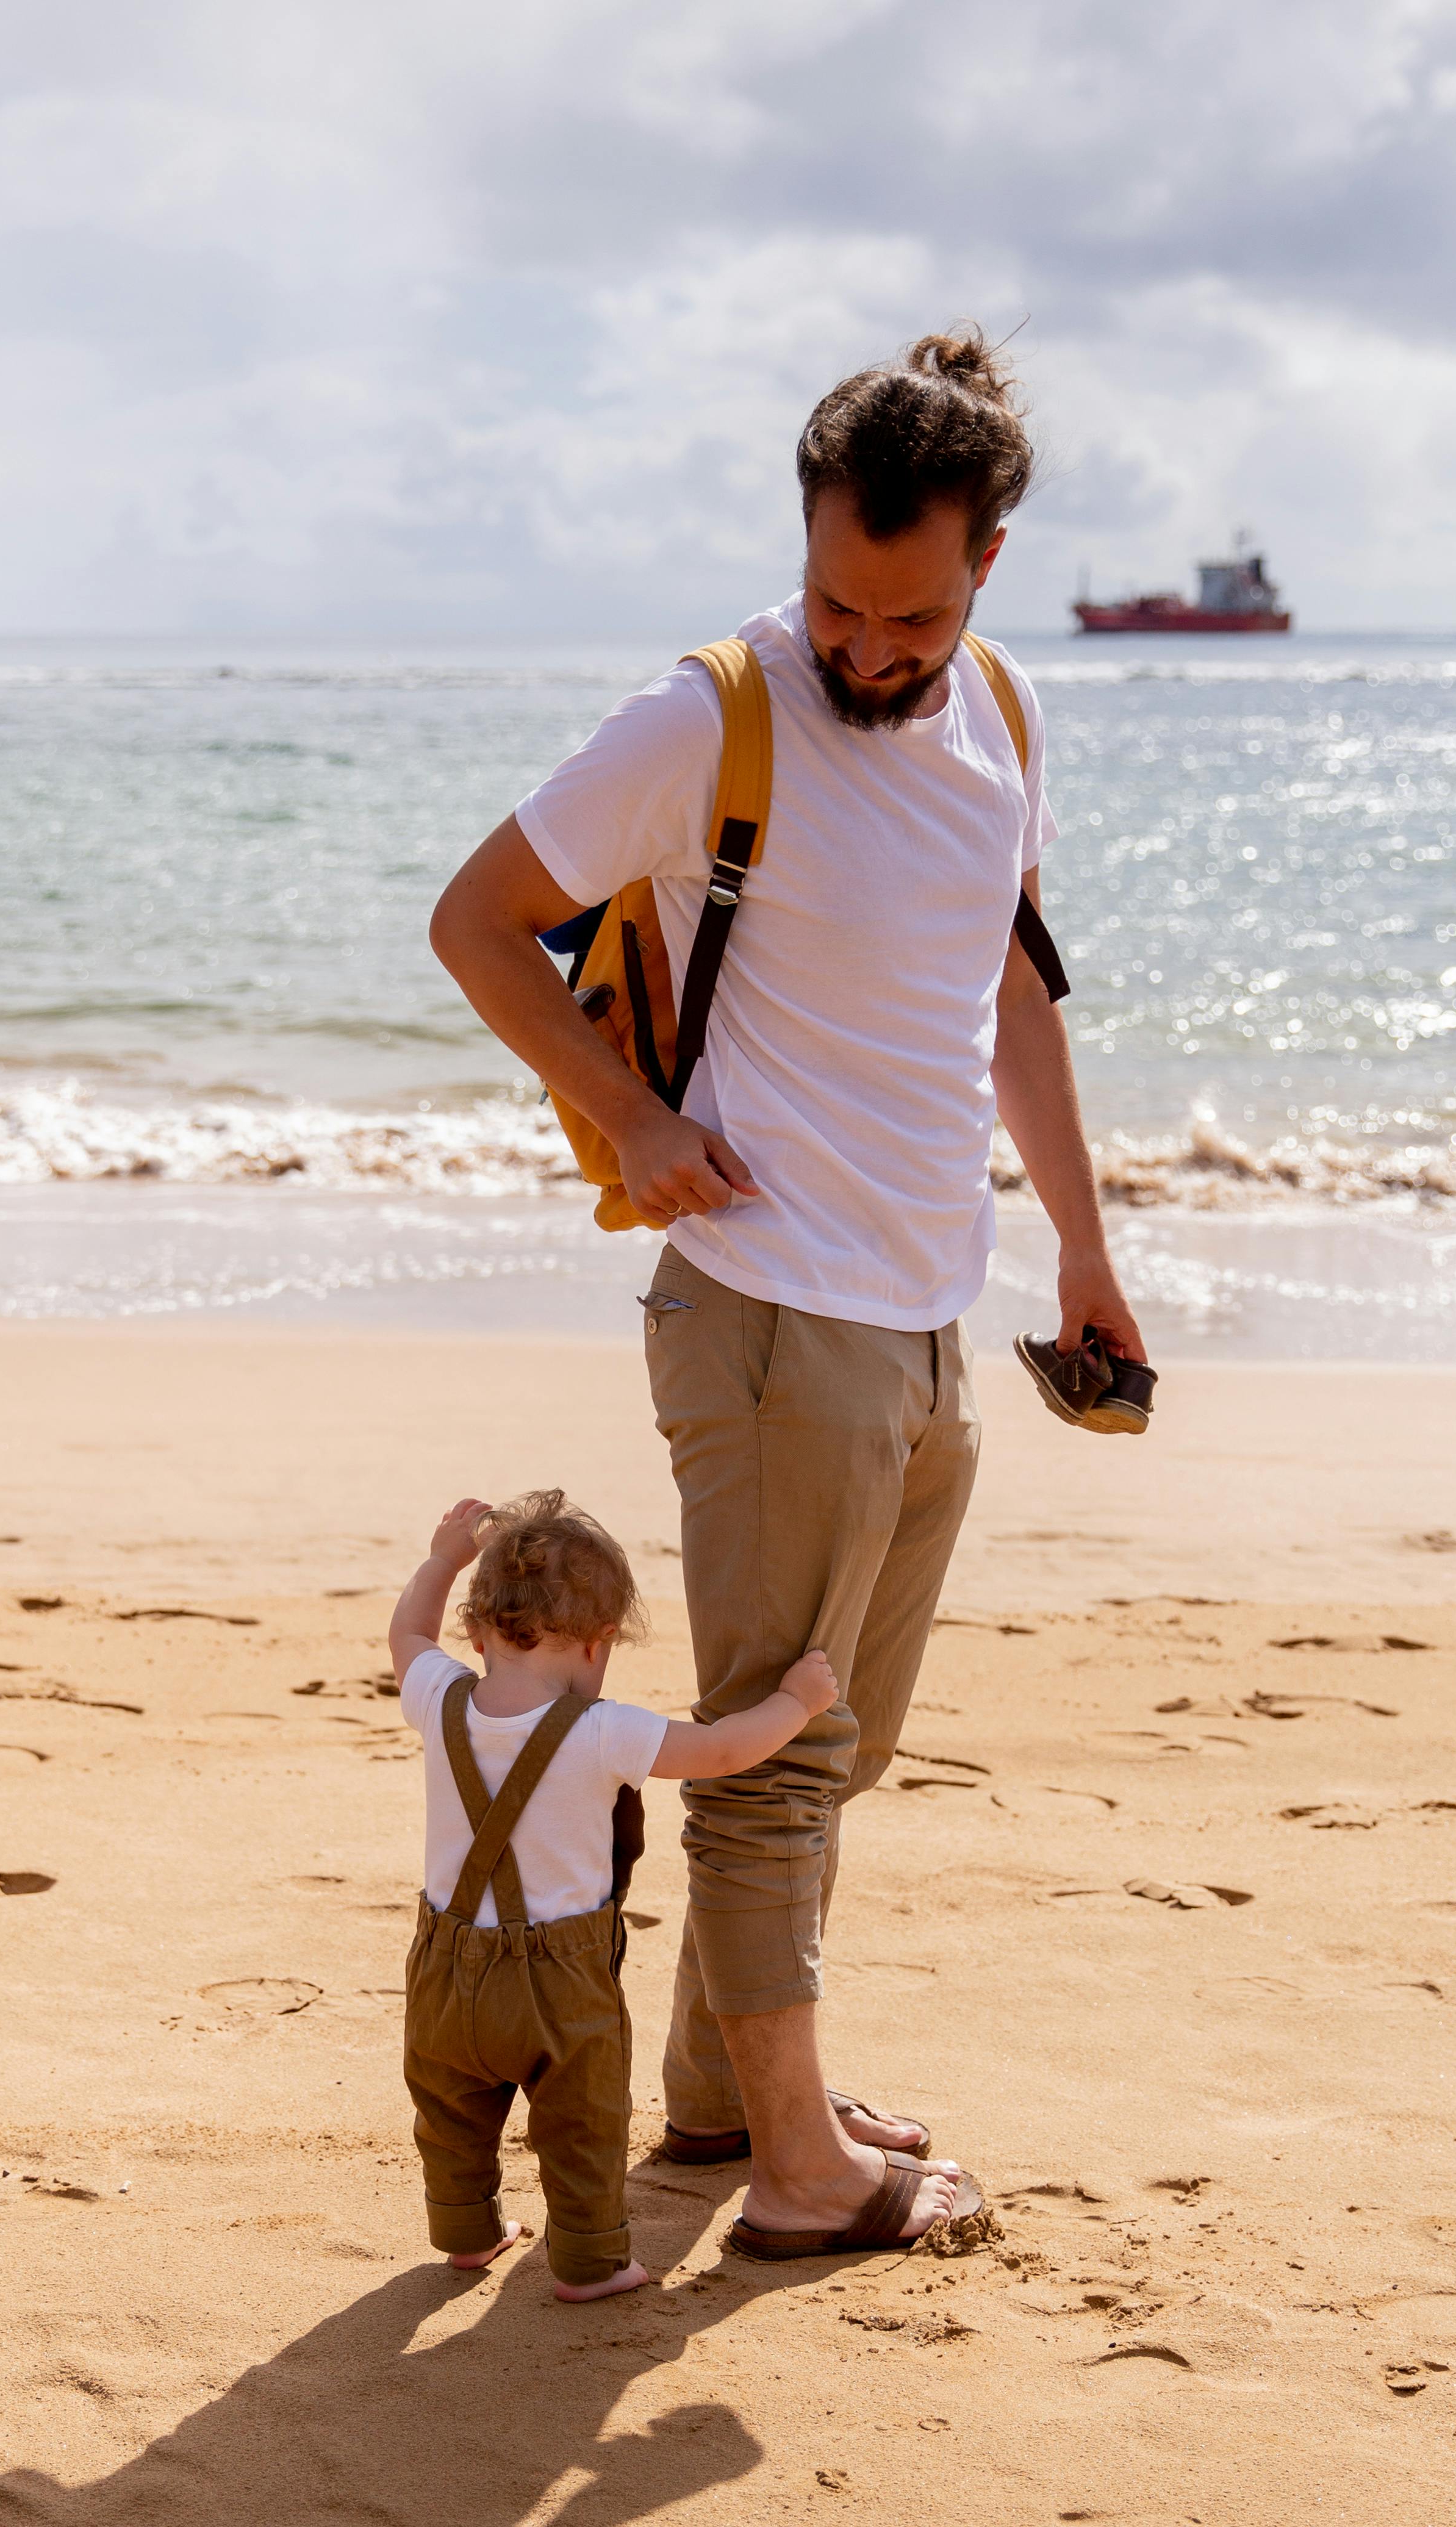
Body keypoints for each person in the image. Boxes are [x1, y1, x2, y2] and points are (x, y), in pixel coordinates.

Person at [429, 328, 1146, 2257]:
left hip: (926, 1315)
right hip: (762, 1309)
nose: (864, 646)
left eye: (904, 612)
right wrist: (629, 1111)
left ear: (983, 561)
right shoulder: (708, 716)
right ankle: (798, 2175)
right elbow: (476, 921)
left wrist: (1078, 1243)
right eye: (837, 596)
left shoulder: (995, 702)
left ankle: (721, 2103)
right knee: (776, 1742)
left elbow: (1005, 996)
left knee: (837, 1743)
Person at [390, 1489, 933, 2298]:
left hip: (442, 1968)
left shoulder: (439, 1697)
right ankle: (588, 2261)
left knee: (451, 2111)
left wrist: (441, 1559)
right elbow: (720, 1752)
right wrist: (796, 1701)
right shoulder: (602, 1729)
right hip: (557, 1984)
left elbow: (404, 1634)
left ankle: (465, 2234)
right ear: (600, 1643)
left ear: (476, 1632)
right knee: (581, 2124)